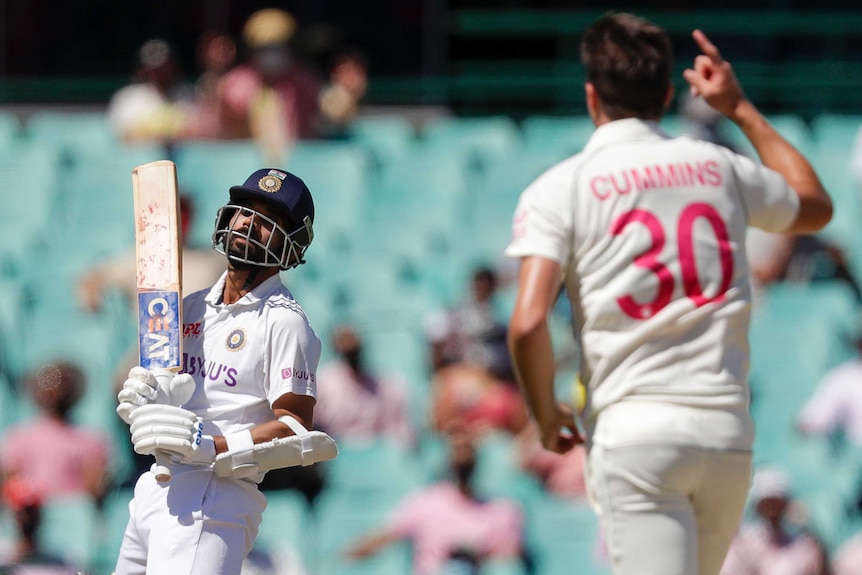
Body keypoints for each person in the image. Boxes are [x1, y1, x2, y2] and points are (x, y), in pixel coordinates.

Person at [505, 12, 832, 575]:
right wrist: (740, 109)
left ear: (591, 97)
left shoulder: (562, 185)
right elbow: (815, 205)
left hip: (637, 432)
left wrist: (543, 413)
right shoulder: (719, 167)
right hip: (725, 434)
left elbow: (529, 322)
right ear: (665, 93)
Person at [112, 168, 338, 574]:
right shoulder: (190, 306)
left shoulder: (284, 322)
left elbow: (295, 427)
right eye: (246, 210)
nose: (251, 223)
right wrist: (146, 398)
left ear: (292, 243)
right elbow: (173, 385)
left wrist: (211, 444)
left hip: (214, 496)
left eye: (270, 219)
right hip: (154, 488)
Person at [345, 430, 525, 575]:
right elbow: (383, 538)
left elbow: (508, 560)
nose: (463, 457)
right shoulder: (425, 502)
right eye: (458, 451)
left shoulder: (503, 510)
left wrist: (476, 557)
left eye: (468, 451)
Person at [217, 8, 323, 161]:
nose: (272, 55)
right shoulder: (235, 84)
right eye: (265, 48)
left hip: (296, 165)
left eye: (278, 47)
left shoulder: (304, 82)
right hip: (244, 165)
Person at [0, 362, 110, 505]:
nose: (56, 390)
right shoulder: (18, 439)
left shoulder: (90, 440)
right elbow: (10, 485)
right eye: (49, 382)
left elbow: (95, 488)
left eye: (63, 383)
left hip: (75, 520)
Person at [314, 323, 414, 446]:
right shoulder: (324, 384)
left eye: (355, 351)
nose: (352, 357)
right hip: (335, 453)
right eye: (347, 352)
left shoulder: (383, 385)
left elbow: (400, 431)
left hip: (374, 455)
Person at [720, 467, 829, 575]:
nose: (772, 508)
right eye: (767, 502)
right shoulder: (748, 543)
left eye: (776, 502)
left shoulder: (802, 546)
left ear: (786, 503)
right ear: (758, 505)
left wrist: (811, 530)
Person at [106, 38, 197, 145]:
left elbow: (202, 133)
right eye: (154, 69)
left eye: (163, 68)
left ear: (173, 66)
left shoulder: (191, 95)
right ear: (143, 69)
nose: (158, 74)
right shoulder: (128, 98)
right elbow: (121, 137)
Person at [317, 47, 369, 140]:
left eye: (356, 71)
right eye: (345, 72)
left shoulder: (362, 101)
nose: (352, 77)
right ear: (334, 75)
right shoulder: (331, 99)